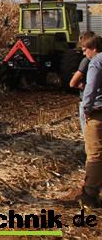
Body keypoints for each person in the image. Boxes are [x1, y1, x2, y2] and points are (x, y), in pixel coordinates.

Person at [67, 34, 102, 207]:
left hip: (97, 112)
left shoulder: (96, 62)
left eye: (85, 49)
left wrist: (87, 109)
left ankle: (89, 193)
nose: (83, 53)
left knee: (94, 153)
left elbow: (90, 88)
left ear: (94, 48)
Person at [70, 32, 97, 135]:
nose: (83, 53)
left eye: (85, 49)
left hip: (90, 104)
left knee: (90, 136)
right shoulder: (86, 61)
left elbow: (72, 83)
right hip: (89, 102)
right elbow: (72, 83)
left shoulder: (89, 61)